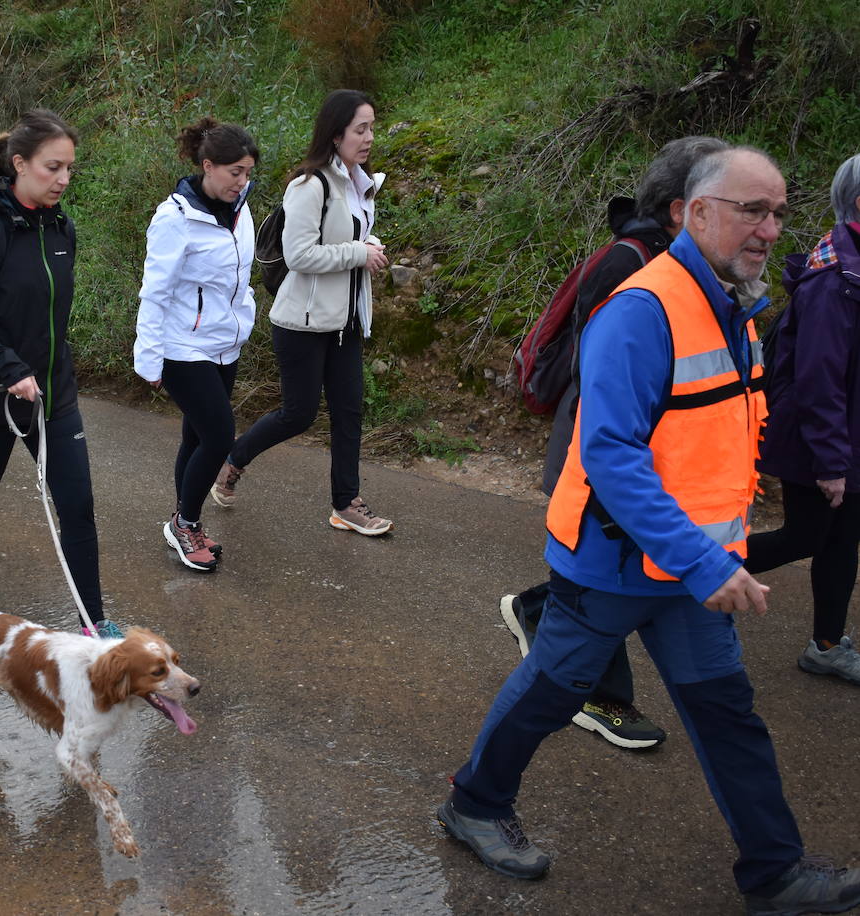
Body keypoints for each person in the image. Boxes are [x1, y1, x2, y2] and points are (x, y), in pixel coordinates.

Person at [437, 147, 860, 914]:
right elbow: (611, 456)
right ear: (696, 214)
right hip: (614, 562)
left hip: (690, 566)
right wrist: (705, 563)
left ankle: (776, 872)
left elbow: (718, 434)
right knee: (552, 690)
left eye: (778, 212)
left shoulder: (738, 306)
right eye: (751, 211)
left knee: (726, 710)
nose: (770, 228)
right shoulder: (642, 309)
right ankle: (472, 803)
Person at [500, 136, 728, 750]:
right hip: (597, 449)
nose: (753, 225)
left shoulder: (687, 269)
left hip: (634, 454)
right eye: (732, 204)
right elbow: (603, 376)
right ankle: (595, 698)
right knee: (606, 582)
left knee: (614, 582)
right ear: (683, 209)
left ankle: (539, 614)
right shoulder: (631, 266)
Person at [0, 109, 120, 639]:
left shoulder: (63, 228)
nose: (63, 180)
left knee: (78, 505)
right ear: (19, 164)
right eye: (52, 168)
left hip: (52, 397)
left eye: (69, 169)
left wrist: (49, 371)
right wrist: (7, 367)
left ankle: (94, 622)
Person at [209, 89, 393, 535]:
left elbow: (347, 245)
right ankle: (234, 459)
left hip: (346, 322)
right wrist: (359, 252)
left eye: (372, 127)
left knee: (350, 412)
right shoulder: (310, 186)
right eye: (360, 129)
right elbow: (299, 254)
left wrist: (366, 250)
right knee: (299, 413)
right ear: (335, 135)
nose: (369, 137)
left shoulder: (359, 185)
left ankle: (345, 504)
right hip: (302, 323)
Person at [745, 153, 860, 685]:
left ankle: (828, 644)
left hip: (844, 438)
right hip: (819, 440)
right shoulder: (835, 279)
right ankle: (684, 575)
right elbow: (819, 380)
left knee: (841, 539)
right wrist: (833, 462)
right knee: (805, 537)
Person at [135, 118, 260, 572]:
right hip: (181, 347)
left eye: (248, 172)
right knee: (219, 434)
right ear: (208, 166)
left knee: (196, 434)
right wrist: (148, 357)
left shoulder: (241, 210)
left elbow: (240, 276)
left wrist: (243, 314)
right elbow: (155, 292)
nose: (242, 181)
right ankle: (185, 524)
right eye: (234, 173)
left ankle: (183, 520)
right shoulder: (174, 219)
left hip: (224, 343)